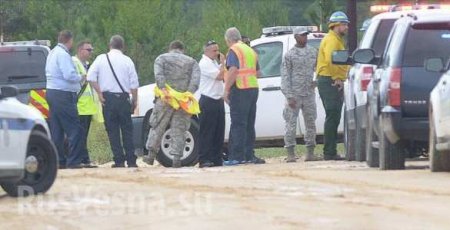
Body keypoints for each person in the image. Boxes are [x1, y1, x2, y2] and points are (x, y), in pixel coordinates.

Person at [143, 40, 200, 168]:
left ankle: (151, 156)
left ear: (170, 49)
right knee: (179, 128)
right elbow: (196, 81)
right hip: (182, 100)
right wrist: (187, 93)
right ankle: (176, 159)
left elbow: (158, 75)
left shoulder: (161, 58)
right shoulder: (192, 62)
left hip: (165, 98)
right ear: (182, 50)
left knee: (158, 125)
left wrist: (163, 88)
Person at [87, 35, 139, 168]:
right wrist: (134, 100)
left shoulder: (101, 59)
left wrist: (99, 93)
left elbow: (90, 76)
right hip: (123, 98)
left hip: (108, 99)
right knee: (127, 130)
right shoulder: (127, 60)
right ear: (123, 47)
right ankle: (131, 160)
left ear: (109, 45)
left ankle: (119, 160)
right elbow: (134, 84)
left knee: (112, 131)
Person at [223, 27, 265, 165]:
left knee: (238, 124)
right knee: (249, 124)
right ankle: (248, 155)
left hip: (240, 89)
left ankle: (236, 157)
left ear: (228, 40)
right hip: (253, 89)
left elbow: (233, 70)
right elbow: (259, 73)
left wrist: (226, 90)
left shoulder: (233, 51)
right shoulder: (250, 50)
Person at [45, 30, 85, 169]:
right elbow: (69, 75)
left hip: (52, 93)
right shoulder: (62, 55)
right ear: (69, 40)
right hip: (63, 95)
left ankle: (59, 161)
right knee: (75, 129)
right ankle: (73, 161)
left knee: (57, 130)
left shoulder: (52, 53)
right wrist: (80, 77)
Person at [281, 27, 320, 162]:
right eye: (302, 35)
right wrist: (289, 95)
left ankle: (310, 152)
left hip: (308, 93)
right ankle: (291, 153)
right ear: (296, 37)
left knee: (310, 122)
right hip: (294, 94)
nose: (305, 37)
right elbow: (285, 76)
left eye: (306, 35)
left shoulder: (312, 52)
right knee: (290, 123)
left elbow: (320, 68)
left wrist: (317, 81)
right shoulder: (290, 55)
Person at [316, 11, 350, 160]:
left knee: (334, 116)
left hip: (330, 79)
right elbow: (333, 59)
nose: (347, 27)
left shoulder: (335, 39)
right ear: (336, 25)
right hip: (329, 80)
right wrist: (337, 78)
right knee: (332, 115)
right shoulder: (332, 40)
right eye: (344, 24)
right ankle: (329, 152)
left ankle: (330, 150)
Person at [197, 40, 226, 168]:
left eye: (218, 50)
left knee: (218, 132)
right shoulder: (204, 63)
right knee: (207, 132)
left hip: (218, 100)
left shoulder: (214, 62)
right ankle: (204, 159)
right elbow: (220, 76)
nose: (217, 53)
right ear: (207, 51)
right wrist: (224, 63)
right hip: (208, 100)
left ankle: (216, 157)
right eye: (214, 51)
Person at [73, 40, 100, 168]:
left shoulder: (87, 65)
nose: (91, 52)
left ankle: (83, 159)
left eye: (91, 50)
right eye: (88, 50)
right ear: (80, 50)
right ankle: (83, 159)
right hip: (80, 107)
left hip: (87, 107)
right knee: (80, 135)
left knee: (84, 136)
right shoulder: (75, 62)